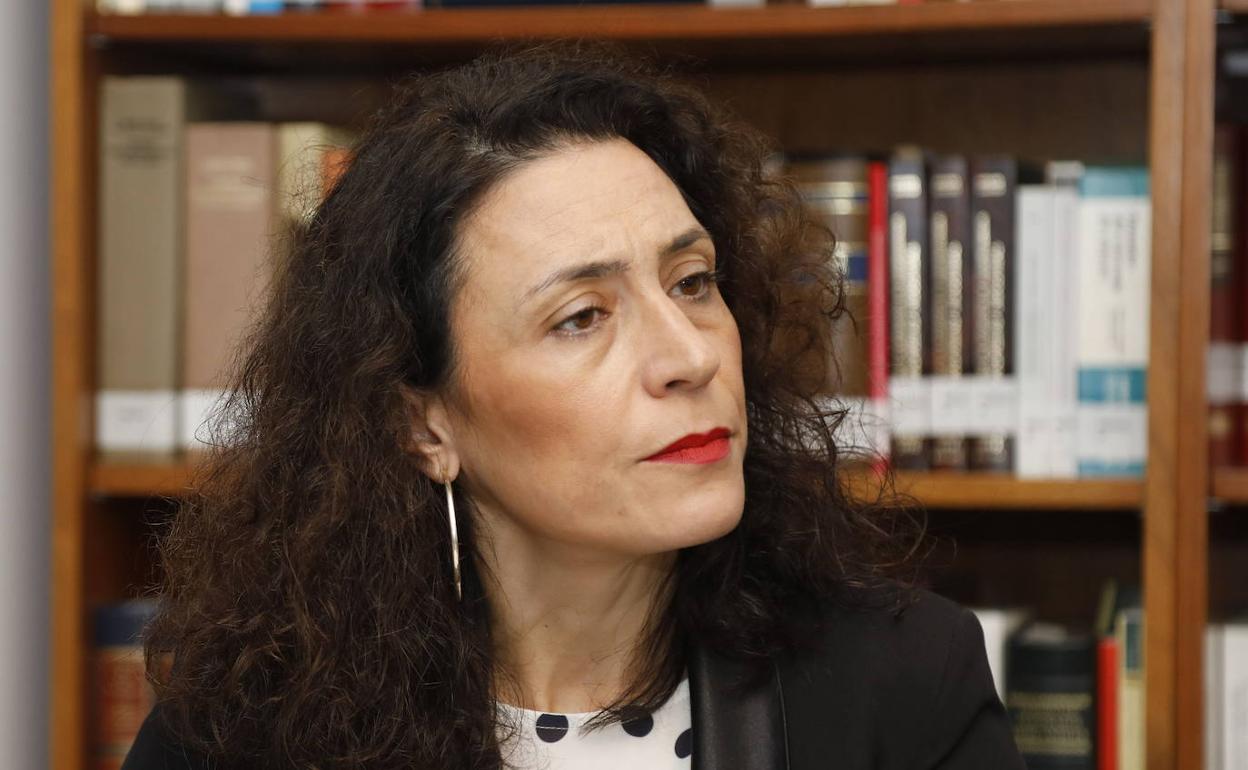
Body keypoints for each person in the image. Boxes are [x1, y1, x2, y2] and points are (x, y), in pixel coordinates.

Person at [121, 41, 1025, 770]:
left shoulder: (906, 683)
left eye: (693, 281)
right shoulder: (239, 732)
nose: (690, 356)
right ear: (421, 423)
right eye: (582, 316)